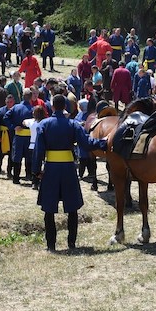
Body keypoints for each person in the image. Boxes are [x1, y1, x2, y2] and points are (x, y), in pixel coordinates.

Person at [33, 94, 110, 252]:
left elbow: (38, 151)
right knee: (72, 207)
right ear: (65, 107)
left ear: (52, 107)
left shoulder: (44, 124)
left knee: (49, 209)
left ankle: (51, 245)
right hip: (68, 168)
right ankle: (71, 243)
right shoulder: (73, 124)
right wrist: (104, 142)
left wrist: (36, 171)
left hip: (51, 169)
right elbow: (87, 143)